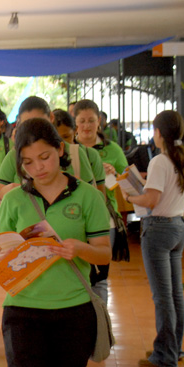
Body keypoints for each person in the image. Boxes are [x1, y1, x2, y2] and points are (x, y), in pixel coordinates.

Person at [0, 117, 111, 367]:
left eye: (44, 158)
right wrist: (9, 256)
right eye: (28, 163)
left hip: (72, 313)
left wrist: (79, 248)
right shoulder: (15, 198)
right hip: (22, 312)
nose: (37, 169)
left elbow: (105, 254)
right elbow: (0, 254)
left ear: (61, 150)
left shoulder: (87, 196)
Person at [123, 110, 184, 367]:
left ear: (159, 133)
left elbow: (150, 200)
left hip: (158, 230)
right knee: (175, 294)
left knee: (162, 297)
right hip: (177, 227)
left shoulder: (160, 161)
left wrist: (130, 198)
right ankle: (175, 348)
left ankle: (165, 356)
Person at [0, 96, 105, 204]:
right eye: (28, 161)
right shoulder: (14, 156)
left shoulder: (75, 153)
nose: (34, 130)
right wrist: (3, 195)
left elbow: (96, 202)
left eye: (45, 157)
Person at [73, 99, 128, 303]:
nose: (87, 126)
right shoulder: (67, 150)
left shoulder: (112, 149)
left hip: (105, 218)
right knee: (78, 276)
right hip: (74, 218)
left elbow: (126, 180)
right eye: (82, 121)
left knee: (100, 278)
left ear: (100, 122)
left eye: (91, 120)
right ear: (75, 123)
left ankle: (102, 326)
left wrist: (114, 174)